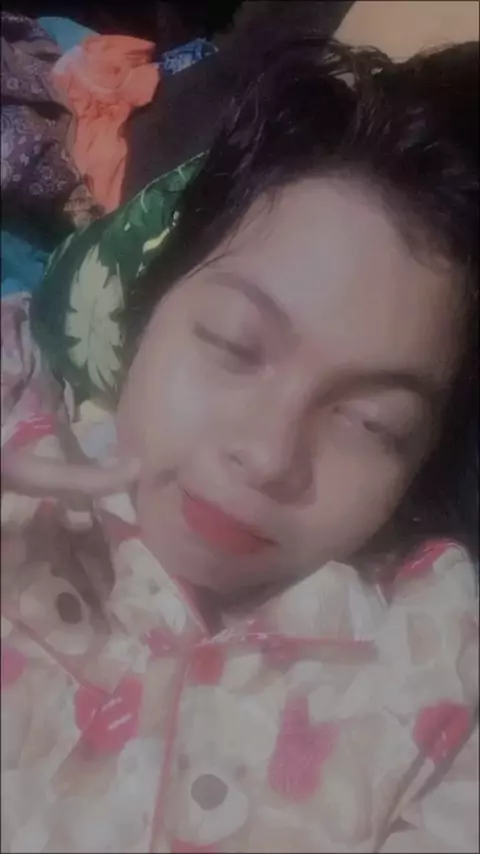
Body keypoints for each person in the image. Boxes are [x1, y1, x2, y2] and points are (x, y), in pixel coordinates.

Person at [1, 37, 478, 853]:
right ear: (148, 312)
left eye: (371, 423)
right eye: (233, 343)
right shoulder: (18, 396)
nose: (267, 454)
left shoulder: (433, 660)